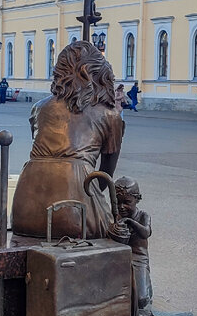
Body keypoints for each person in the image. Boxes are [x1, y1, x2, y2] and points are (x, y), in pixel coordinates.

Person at [11, 41, 124, 239]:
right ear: (99, 74)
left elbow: (43, 152)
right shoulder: (109, 115)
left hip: (26, 204)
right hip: (76, 205)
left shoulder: (39, 107)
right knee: (118, 234)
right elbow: (106, 174)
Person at [114, 176, 153, 316]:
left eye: (126, 202)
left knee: (140, 299)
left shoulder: (142, 215)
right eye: (117, 201)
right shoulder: (114, 214)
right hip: (120, 256)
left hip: (137, 258)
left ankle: (146, 285)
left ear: (137, 199)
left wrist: (129, 221)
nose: (121, 207)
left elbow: (146, 233)